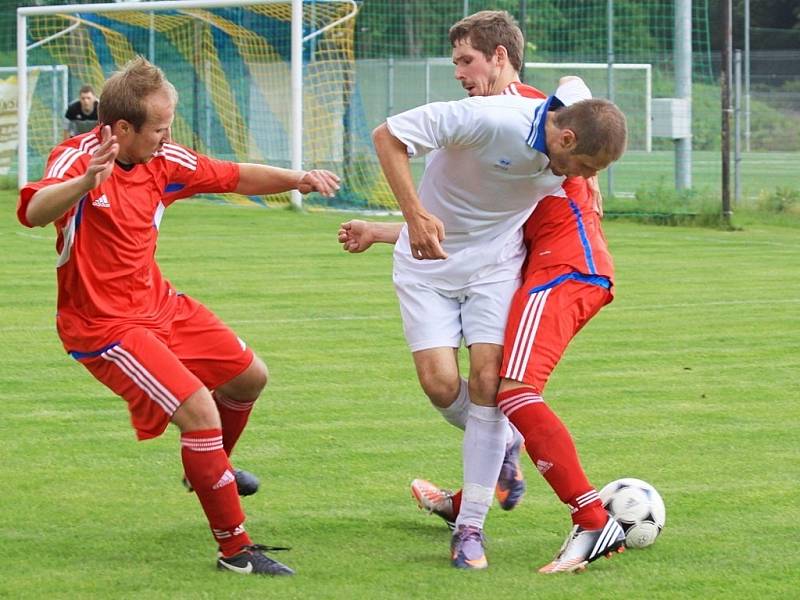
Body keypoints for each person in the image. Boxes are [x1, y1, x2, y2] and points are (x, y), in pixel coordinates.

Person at [17, 56, 340, 577]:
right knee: (200, 412)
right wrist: (84, 183)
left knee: (249, 378)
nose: (168, 137)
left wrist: (298, 178)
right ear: (122, 128)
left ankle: (208, 469)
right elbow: (33, 212)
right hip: (104, 326)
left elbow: (233, 176)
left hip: (159, 305)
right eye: (161, 127)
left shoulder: (164, 160)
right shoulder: (77, 157)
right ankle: (236, 551)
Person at [362, 11, 626, 572]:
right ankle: (504, 448)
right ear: (565, 137)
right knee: (444, 387)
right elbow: (389, 136)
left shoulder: (570, 127)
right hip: (428, 267)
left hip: (503, 268)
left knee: (496, 385)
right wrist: (403, 220)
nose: (573, 179)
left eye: (466, 61)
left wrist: (593, 172)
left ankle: (472, 529)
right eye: (577, 166)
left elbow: (578, 94)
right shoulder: (489, 118)